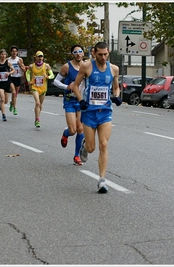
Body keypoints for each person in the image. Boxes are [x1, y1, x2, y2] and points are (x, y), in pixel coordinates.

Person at [71, 41, 121, 194]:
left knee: (104, 144)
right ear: (94, 53)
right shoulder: (87, 66)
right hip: (89, 112)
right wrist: (81, 101)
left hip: (105, 112)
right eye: (100, 54)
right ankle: (84, 145)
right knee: (91, 148)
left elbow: (116, 87)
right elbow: (75, 86)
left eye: (105, 54)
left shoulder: (114, 69)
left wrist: (117, 96)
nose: (103, 57)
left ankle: (102, 180)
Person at [53, 44, 86, 166]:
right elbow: (55, 81)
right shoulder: (67, 67)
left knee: (80, 129)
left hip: (81, 100)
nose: (78, 54)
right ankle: (65, 133)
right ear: (72, 54)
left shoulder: (87, 66)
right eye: (75, 52)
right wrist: (66, 86)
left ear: (83, 53)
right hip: (70, 101)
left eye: (80, 51)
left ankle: (77, 156)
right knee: (73, 130)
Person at [25, 51, 54, 128]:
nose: (40, 58)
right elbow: (27, 73)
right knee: (37, 103)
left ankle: (36, 116)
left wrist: (47, 77)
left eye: (41, 56)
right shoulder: (32, 66)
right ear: (36, 57)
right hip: (35, 87)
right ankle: (38, 119)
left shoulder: (46, 66)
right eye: (39, 56)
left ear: (43, 57)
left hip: (43, 88)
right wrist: (29, 81)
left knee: (40, 105)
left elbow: (52, 75)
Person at [7, 45, 26, 116]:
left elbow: (24, 70)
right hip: (11, 77)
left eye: (15, 51)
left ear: (17, 52)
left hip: (18, 77)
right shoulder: (8, 60)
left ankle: (12, 103)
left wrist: (20, 65)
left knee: (15, 94)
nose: (14, 53)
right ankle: (15, 108)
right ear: (11, 52)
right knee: (13, 92)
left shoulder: (19, 59)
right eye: (13, 51)